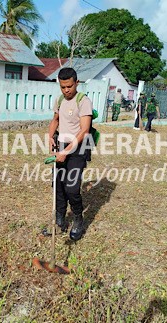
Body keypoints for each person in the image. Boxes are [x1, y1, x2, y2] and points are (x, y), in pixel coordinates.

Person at [48, 67, 93, 241]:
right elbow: (55, 120)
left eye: (69, 86)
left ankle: (78, 219)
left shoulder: (83, 101)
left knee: (72, 187)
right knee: (58, 185)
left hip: (78, 147)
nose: (66, 90)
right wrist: (50, 136)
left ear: (76, 83)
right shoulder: (59, 100)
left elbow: (85, 130)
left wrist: (66, 152)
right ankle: (59, 221)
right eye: (63, 87)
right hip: (61, 145)